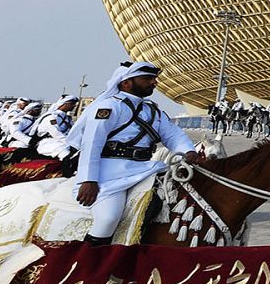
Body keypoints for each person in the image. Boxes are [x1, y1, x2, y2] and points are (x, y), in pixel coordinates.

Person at [69, 61, 200, 244]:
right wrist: (88, 180)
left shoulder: (153, 111)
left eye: (154, 78)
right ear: (126, 83)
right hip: (109, 175)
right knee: (108, 218)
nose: (154, 82)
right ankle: (90, 258)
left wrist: (188, 151)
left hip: (145, 169)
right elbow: (92, 144)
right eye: (147, 78)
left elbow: (172, 134)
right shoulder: (109, 107)